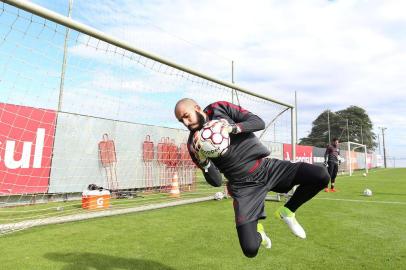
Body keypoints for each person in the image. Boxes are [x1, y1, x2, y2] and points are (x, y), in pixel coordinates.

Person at [174, 98, 329, 258]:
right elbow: (216, 182)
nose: (186, 122)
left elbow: (258, 122)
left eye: (187, 116)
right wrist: (204, 163)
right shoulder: (194, 144)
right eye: (181, 120)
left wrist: (232, 128)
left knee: (321, 175)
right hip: (243, 188)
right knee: (250, 249)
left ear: (197, 108)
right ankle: (260, 234)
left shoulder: (219, 108)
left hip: (267, 168)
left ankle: (288, 211)